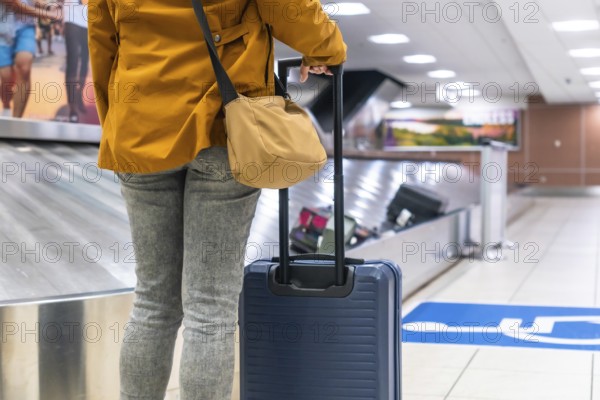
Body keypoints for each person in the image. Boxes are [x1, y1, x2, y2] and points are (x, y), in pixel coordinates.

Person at [88, 0, 346, 399]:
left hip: (138, 130)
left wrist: (118, 129)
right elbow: (292, 10)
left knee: (153, 303)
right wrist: (329, 50)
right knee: (210, 310)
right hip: (223, 129)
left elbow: (102, 46)